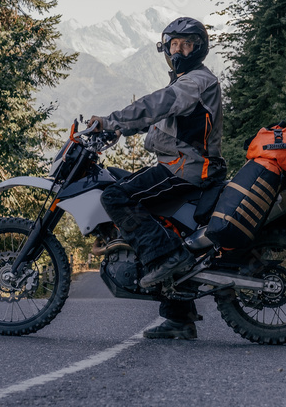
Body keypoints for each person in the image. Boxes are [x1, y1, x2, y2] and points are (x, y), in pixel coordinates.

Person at [88, 17, 225, 340]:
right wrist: (120, 129)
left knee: (115, 197)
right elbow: (158, 118)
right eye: (173, 44)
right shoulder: (185, 82)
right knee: (144, 208)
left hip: (188, 168)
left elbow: (158, 104)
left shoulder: (195, 82)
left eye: (185, 44)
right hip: (180, 164)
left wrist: (111, 121)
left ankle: (165, 258)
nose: (177, 50)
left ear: (198, 48)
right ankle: (179, 318)